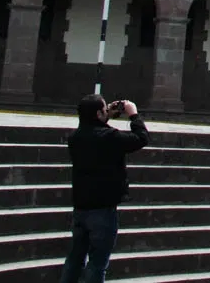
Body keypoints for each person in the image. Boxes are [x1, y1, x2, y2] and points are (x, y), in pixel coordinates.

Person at [60, 95, 150, 283]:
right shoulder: (108, 137)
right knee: (97, 264)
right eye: (103, 109)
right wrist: (133, 115)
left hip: (81, 208)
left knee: (75, 259)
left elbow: (96, 130)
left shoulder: (75, 138)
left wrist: (105, 116)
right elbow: (141, 138)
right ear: (98, 113)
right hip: (102, 210)